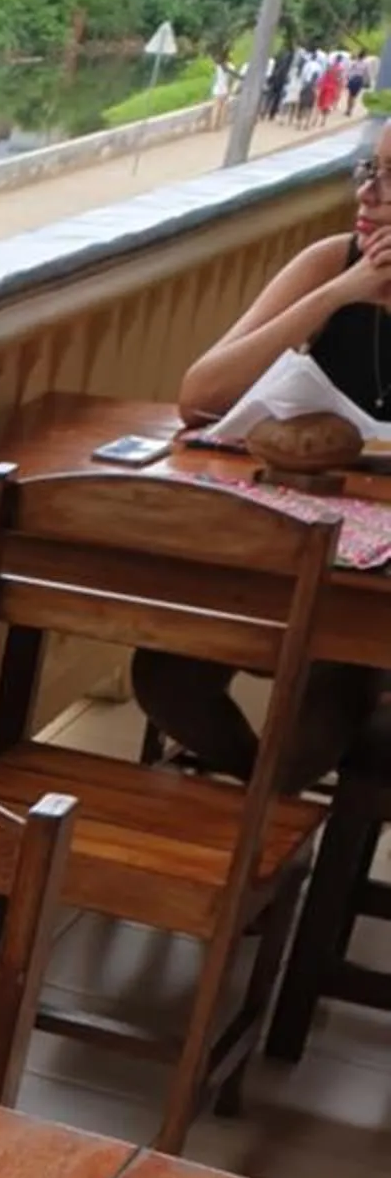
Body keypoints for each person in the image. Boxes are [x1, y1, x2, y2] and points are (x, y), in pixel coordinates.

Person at [138, 123, 391, 786]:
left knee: (323, 707)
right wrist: (338, 295)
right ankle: (266, 824)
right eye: (369, 171)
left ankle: (265, 844)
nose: (369, 193)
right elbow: (202, 395)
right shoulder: (332, 263)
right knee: (164, 676)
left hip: (374, 600)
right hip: (286, 563)